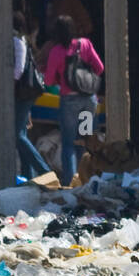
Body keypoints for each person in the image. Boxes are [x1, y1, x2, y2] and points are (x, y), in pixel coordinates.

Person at [43, 14, 103, 187]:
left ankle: (70, 183)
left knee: (69, 143)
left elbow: (48, 80)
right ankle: (87, 181)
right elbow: (99, 68)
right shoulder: (85, 44)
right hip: (88, 101)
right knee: (84, 141)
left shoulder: (56, 51)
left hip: (69, 102)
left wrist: (61, 81)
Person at [12, 11, 49, 179]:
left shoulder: (16, 40)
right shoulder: (22, 39)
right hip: (25, 93)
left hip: (24, 93)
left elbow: (18, 70)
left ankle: (44, 172)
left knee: (17, 135)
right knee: (22, 133)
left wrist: (6, 87)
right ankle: (29, 176)